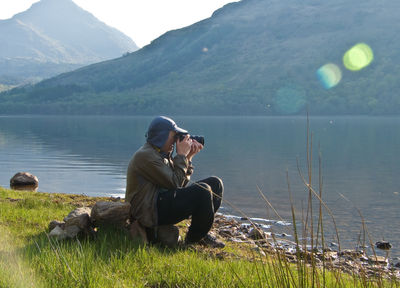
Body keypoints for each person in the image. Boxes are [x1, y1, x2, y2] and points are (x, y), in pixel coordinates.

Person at [125, 116, 224, 247]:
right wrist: (182, 155)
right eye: (174, 136)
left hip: (158, 202)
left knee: (215, 184)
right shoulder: (146, 156)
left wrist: (188, 157)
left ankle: (201, 232)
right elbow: (175, 184)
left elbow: (180, 184)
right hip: (147, 212)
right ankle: (192, 240)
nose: (175, 141)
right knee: (203, 190)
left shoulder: (162, 154)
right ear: (162, 136)